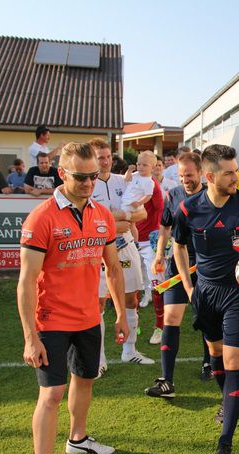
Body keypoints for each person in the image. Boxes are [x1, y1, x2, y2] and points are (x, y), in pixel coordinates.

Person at [17, 142, 129, 454]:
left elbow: (113, 269)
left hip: (89, 317)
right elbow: (26, 282)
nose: (89, 183)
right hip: (51, 320)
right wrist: (30, 337)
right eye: (81, 177)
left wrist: (121, 315)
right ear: (62, 174)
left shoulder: (102, 214)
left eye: (94, 175)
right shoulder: (41, 218)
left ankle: (77, 439)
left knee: (85, 379)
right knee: (52, 394)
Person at [172, 144, 239, 454]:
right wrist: (189, 287)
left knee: (234, 361)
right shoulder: (188, 209)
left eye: (236, 171)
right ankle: (227, 402)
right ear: (209, 176)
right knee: (216, 355)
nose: (236, 178)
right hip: (205, 294)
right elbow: (178, 247)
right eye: (229, 173)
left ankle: (225, 442)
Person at [145, 151, 213, 398]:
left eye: (190, 175)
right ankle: (166, 381)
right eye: (182, 175)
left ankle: (209, 363)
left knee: (206, 317)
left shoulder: (212, 196)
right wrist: (159, 254)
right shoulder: (173, 195)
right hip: (177, 264)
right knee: (171, 318)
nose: (185, 180)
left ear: (201, 173)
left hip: (205, 267)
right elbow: (165, 227)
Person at [90, 138, 153, 374]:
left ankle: (130, 351)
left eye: (108, 157)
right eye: (100, 158)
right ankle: (99, 360)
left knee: (131, 300)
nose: (105, 162)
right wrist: (115, 224)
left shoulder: (124, 181)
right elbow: (88, 220)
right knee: (98, 303)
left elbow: (142, 213)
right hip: (98, 248)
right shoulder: (87, 184)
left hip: (125, 246)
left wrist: (122, 217)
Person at [134, 151, 166, 344]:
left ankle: (160, 327)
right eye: (138, 163)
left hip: (149, 242)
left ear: (153, 167)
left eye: (145, 164)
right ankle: (134, 323)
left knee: (157, 284)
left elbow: (161, 210)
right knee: (132, 284)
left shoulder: (154, 186)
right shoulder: (131, 180)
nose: (140, 167)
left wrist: (160, 238)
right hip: (131, 240)